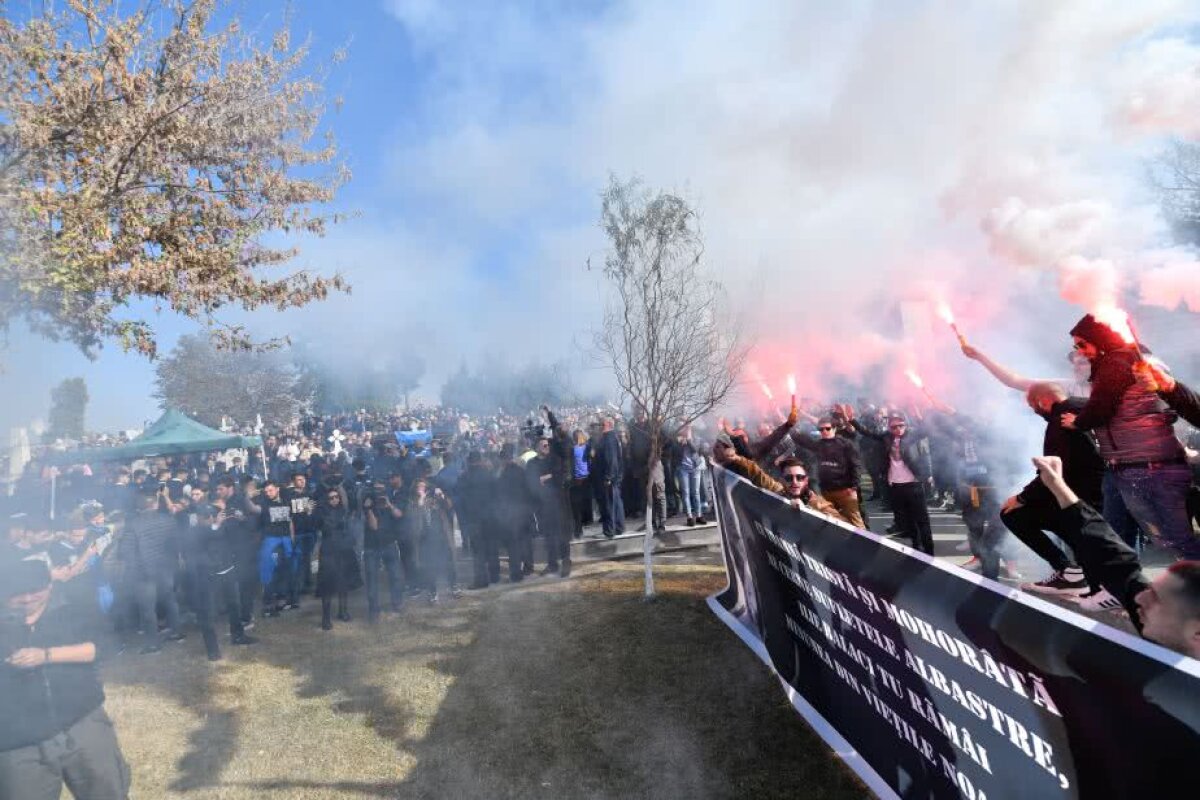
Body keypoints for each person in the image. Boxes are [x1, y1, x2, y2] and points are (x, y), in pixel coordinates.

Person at [1032, 455, 1200, 657]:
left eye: (1157, 598)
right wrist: (1058, 486)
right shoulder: (1173, 630)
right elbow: (1117, 561)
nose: (1141, 595)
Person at [1060, 315, 1195, 562]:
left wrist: (1077, 422)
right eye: (1076, 347)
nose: (1080, 352)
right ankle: (1127, 590)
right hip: (1130, 464)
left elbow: (1101, 409)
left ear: (1099, 338)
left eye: (1082, 344)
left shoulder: (1118, 362)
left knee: (1175, 540)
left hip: (1148, 465)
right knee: (1142, 535)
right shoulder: (1117, 363)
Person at [0, 557, 131, 799]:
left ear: (49, 585)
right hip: (16, 742)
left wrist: (46, 656)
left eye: (35, 591)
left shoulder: (73, 607)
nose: (27, 599)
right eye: (18, 594)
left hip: (81, 723)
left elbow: (103, 646)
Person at [1001, 382, 1108, 601]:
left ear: (1043, 401)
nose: (1034, 411)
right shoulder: (1087, 407)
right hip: (1102, 491)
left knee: (1012, 514)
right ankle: (1081, 573)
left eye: (1034, 406)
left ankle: (1071, 573)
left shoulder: (1060, 418)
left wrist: (1022, 497)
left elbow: (1053, 468)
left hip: (1078, 497)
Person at [849, 409, 935, 555]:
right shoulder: (886, 437)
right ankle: (917, 549)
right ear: (889, 427)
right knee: (908, 521)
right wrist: (852, 421)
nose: (898, 429)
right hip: (895, 485)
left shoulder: (913, 436)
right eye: (894, 427)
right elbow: (868, 433)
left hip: (913, 484)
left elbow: (926, 430)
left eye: (901, 426)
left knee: (922, 520)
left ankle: (929, 551)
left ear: (905, 425)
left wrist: (919, 417)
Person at [182, 503, 257, 660]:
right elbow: (207, 536)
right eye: (207, 517)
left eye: (212, 516)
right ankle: (212, 650)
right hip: (208, 576)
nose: (210, 519)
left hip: (227, 570)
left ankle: (238, 636)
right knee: (207, 614)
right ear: (200, 518)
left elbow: (239, 533)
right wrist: (216, 525)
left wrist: (239, 518)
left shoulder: (222, 526)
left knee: (234, 606)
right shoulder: (194, 532)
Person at [115, 487, 184, 654]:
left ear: (139, 507)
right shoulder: (168, 520)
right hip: (166, 568)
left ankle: (153, 644)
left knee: (147, 609)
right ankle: (176, 633)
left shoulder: (132, 525)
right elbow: (176, 545)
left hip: (144, 571)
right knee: (170, 600)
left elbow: (126, 552)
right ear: (154, 505)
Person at [787, 416, 864, 527]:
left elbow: (856, 465)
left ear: (834, 428)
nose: (824, 431)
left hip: (845, 490)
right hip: (826, 490)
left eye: (827, 428)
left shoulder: (846, 444)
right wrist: (789, 424)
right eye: (821, 429)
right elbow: (801, 439)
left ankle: (864, 543)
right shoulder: (819, 444)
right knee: (831, 521)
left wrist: (854, 486)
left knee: (856, 522)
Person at [315, 488, 362, 630]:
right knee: (327, 585)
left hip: (345, 550)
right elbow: (323, 527)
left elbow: (351, 529)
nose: (335, 499)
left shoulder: (344, 511)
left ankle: (343, 611)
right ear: (326, 500)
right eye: (331, 498)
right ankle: (326, 618)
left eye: (336, 497)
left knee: (344, 582)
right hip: (329, 551)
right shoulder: (321, 512)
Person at [362, 479, 405, 622]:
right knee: (372, 579)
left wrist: (389, 505)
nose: (379, 493)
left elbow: (399, 514)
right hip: (371, 546)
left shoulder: (389, 501)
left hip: (389, 544)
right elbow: (373, 526)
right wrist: (368, 509)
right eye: (376, 490)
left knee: (396, 576)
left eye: (381, 490)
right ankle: (374, 610)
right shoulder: (367, 506)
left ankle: (397, 603)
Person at [253, 480, 296, 617]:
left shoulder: (286, 502)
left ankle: (282, 601)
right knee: (269, 574)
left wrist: (292, 539)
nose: (268, 493)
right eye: (266, 491)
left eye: (270, 490)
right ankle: (267, 606)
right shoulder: (263, 504)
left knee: (284, 571)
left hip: (286, 542)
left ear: (277, 489)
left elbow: (290, 522)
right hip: (270, 543)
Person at [776, 458, 847, 520]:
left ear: (806, 481)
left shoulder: (818, 503)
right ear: (782, 480)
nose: (794, 482)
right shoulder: (778, 495)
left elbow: (846, 527)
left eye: (800, 477)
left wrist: (807, 511)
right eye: (789, 478)